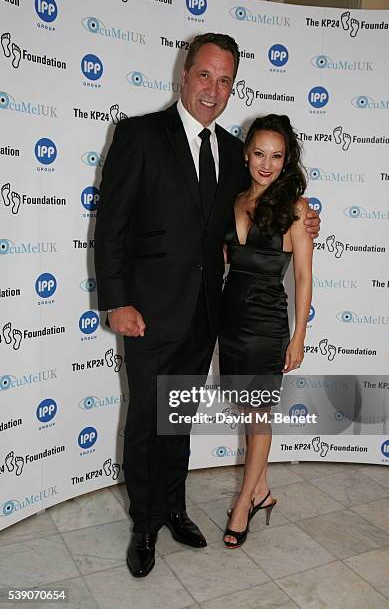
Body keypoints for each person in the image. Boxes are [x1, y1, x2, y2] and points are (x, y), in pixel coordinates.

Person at [94, 34, 320, 577]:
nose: (212, 90)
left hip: (206, 315)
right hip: (147, 312)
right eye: (204, 75)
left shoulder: (231, 153)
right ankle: (145, 523)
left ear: (232, 86)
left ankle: (174, 508)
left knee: (179, 418)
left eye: (224, 81)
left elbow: (262, 204)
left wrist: (306, 218)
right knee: (148, 419)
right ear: (184, 73)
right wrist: (116, 301)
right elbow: (110, 226)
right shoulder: (139, 134)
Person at [219, 114, 313, 548]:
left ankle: (244, 506)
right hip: (231, 323)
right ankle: (262, 491)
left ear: (286, 159)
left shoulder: (296, 209)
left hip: (266, 326)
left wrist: (298, 337)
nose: (266, 164)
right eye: (259, 153)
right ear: (246, 154)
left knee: (259, 417)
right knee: (247, 410)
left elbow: (303, 279)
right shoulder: (232, 199)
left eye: (276, 156)